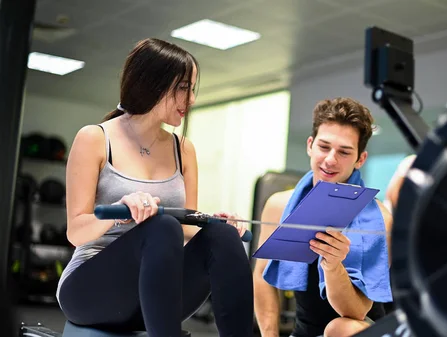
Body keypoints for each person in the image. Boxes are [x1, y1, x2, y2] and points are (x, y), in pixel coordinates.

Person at [55, 38, 254, 337]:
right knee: (161, 226)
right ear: (154, 83)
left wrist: (211, 222)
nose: (192, 99)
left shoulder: (183, 149)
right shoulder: (95, 139)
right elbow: (76, 231)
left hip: (154, 294)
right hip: (91, 291)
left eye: (192, 89)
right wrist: (121, 212)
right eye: (184, 88)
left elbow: (187, 230)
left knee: (222, 234)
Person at [253, 98, 394, 337]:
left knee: (339, 328)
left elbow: (357, 311)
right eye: (324, 147)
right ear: (310, 145)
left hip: (359, 328)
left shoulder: (380, 219)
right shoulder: (280, 205)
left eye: (344, 152)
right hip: (305, 332)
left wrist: (332, 264)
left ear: (360, 159)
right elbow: (262, 276)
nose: (330, 159)